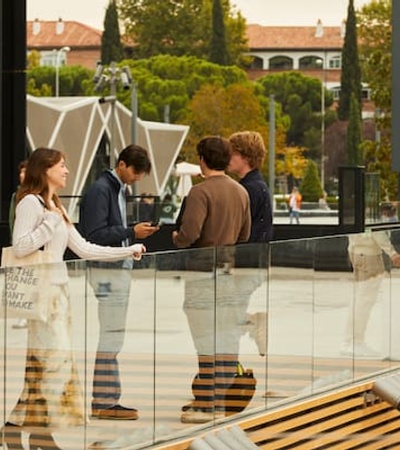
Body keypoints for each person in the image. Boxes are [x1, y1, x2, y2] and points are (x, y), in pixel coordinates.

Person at [3, 147, 146, 450]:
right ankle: (31, 431)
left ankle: (21, 428)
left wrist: (128, 249)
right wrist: (48, 224)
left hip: (59, 296)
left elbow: (85, 248)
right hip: (42, 297)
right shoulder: (31, 203)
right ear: (46, 170)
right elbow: (19, 246)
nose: (67, 171)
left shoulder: (55, 205)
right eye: (62, 166)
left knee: (45, 365)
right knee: (52, 365)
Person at [172, 136, 251, 424]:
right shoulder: (241, 192)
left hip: (202, 276)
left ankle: (205, 404)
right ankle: (222, 399)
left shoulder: (199, 193)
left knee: (204, 341)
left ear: (203, 160)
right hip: (228, 275)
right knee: (223, 339)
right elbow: (244, 236)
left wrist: (176, 238)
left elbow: (189, 234)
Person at [79, 144, 159, 421]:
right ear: (122, 164)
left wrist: (131, 234)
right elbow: (95, 234)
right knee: (111, 335)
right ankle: (103, 400)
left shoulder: (115, 189)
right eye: (135, 171)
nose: (137, 177)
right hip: (106, 272)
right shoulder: (102, 190)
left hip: (115, 269)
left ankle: (107, 398)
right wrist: (130, 231)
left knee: (113, 335)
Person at [341, 229, 400, 357]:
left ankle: (352, 341)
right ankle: (354, 342)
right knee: (364, 301)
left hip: (356, 251)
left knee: (360, 300)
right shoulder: (371, 210)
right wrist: (392, 253)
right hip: (369, 256)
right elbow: (376, 230)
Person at [228, 131, 273, 243]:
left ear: (246, 157)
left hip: (246, 255)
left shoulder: (249, 188)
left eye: (233, 153)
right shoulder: (258, 184)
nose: (228, 158)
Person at [8, 159, 29, 330]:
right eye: (20, 172)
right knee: (22, 282)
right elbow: (11, 220)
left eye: (25, 172)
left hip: (32, 246)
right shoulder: (16, 195)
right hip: (20, 244)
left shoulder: (36, 196)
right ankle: (23, 315)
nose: (22, 176)